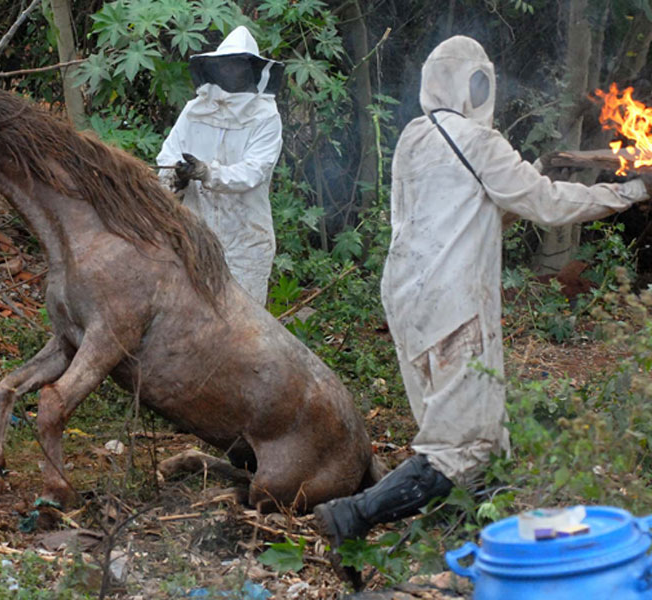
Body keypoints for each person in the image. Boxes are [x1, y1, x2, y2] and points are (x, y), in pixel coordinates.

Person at [313, 35, 650, 551]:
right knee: (461, 443)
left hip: (408, 298)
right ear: (472, 84)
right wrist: (628, 192)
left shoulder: (414, 136)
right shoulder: (477, 141)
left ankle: (470, 543)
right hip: (453, 305)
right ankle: (353, 516)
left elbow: (483, 204)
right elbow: (547, 206)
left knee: (474, 434)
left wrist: (536, 172)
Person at [157, 26, 284, 305]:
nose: (231, 72)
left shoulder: (266, 117)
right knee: (191, 315)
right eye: (225, 65)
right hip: (194, 232)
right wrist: (174, 178)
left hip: (245, 238)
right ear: (214, 67)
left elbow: (255, 171)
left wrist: (208, 173)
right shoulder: (194, 110)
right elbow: (168, 156)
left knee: (243, 324)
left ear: (252, 69)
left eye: (238, 65)